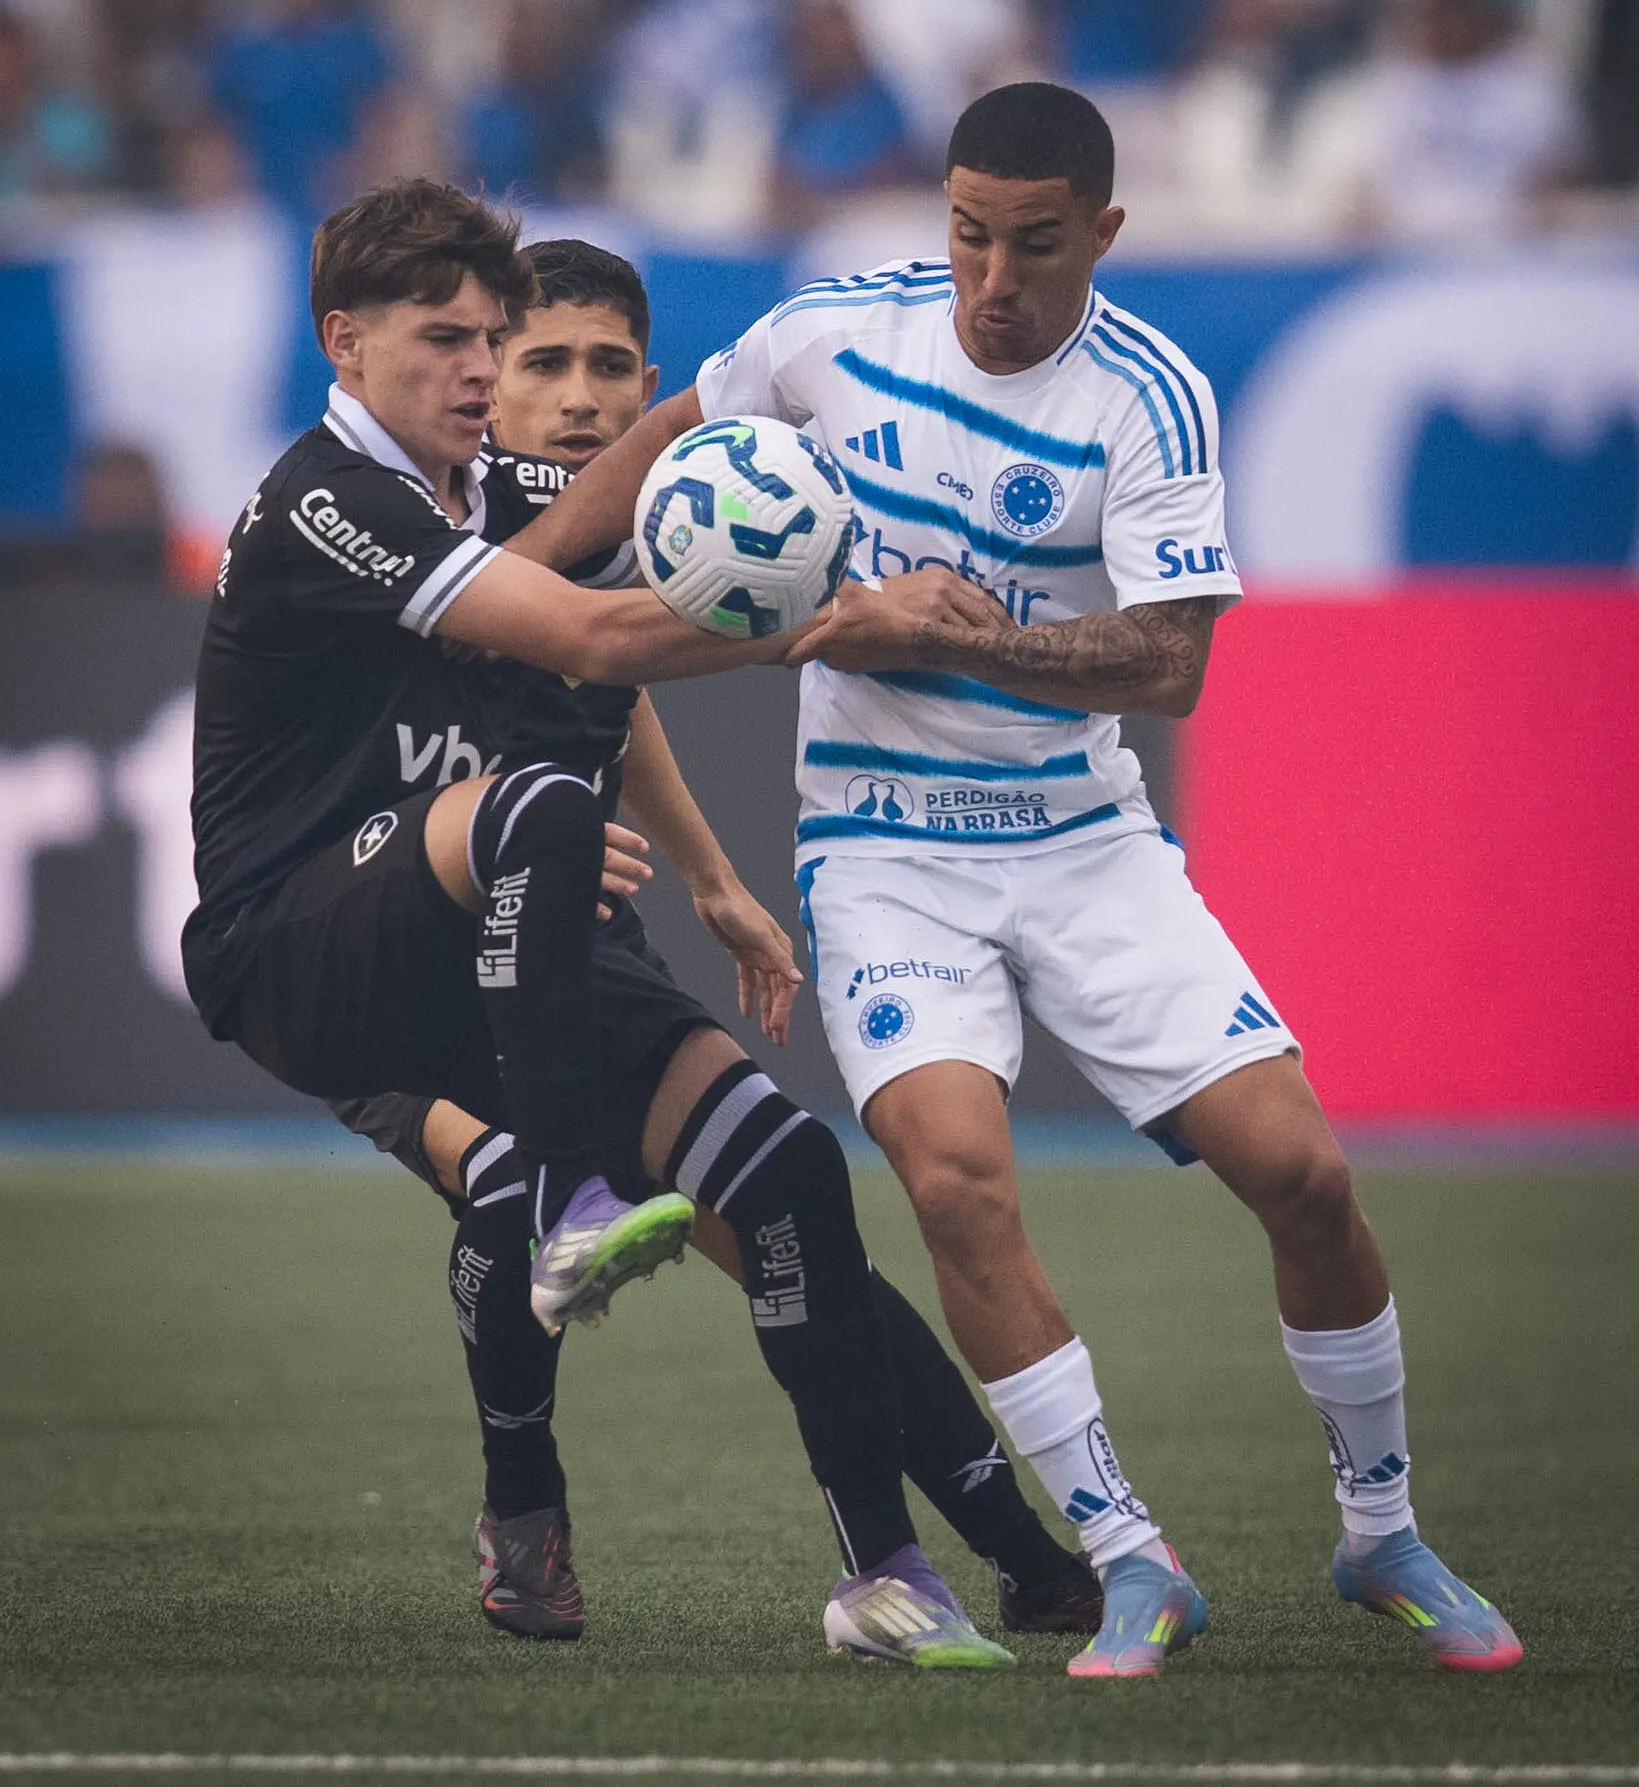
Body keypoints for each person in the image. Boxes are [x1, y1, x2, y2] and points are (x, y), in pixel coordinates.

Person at [518, 84, 1525, 1680]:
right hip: (880, 848)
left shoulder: (1149, 397)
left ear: (1102, 235)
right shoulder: (828, 338)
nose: (993, 277)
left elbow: (1170, 662)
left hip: (1080, 838)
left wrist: (956, 633)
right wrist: (526, 587)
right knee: (949, 1177)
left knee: (1306, 1178)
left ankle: (1380, 1528)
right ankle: (1131, 1562)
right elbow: (667, 434)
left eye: (1034, 245)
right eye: (968, 234)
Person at [183, 181, 1017, 1670]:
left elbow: (613, 682)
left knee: (791, 1178)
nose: (485, 374)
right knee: (536, 829)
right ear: (345, 344)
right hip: (299, 942)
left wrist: (710, 870)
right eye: (456, 342)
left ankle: (890, 1578)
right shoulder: (327, 497)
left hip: (499, 937)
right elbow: (586, 636)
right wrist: (829, 602)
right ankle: (554, 1277)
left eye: (494, 342)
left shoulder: (498, 502)